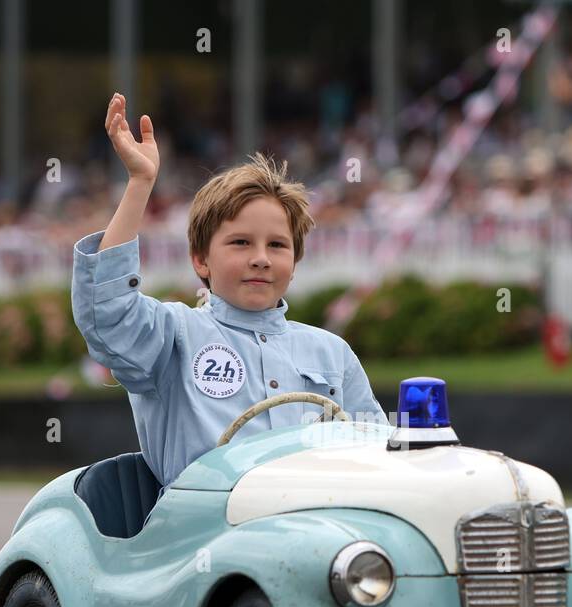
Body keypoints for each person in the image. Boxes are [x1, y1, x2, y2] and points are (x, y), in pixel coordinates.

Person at [71, 93, 388, 490]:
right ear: (201, 260)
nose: (261, 259)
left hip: (316, 530)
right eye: (240, 243)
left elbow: (375, 455)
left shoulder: (332, 353)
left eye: (277, 245)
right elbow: (107, 315)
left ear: (295, 261)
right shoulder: (174, 333)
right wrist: (140, 183)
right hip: (200, 535)